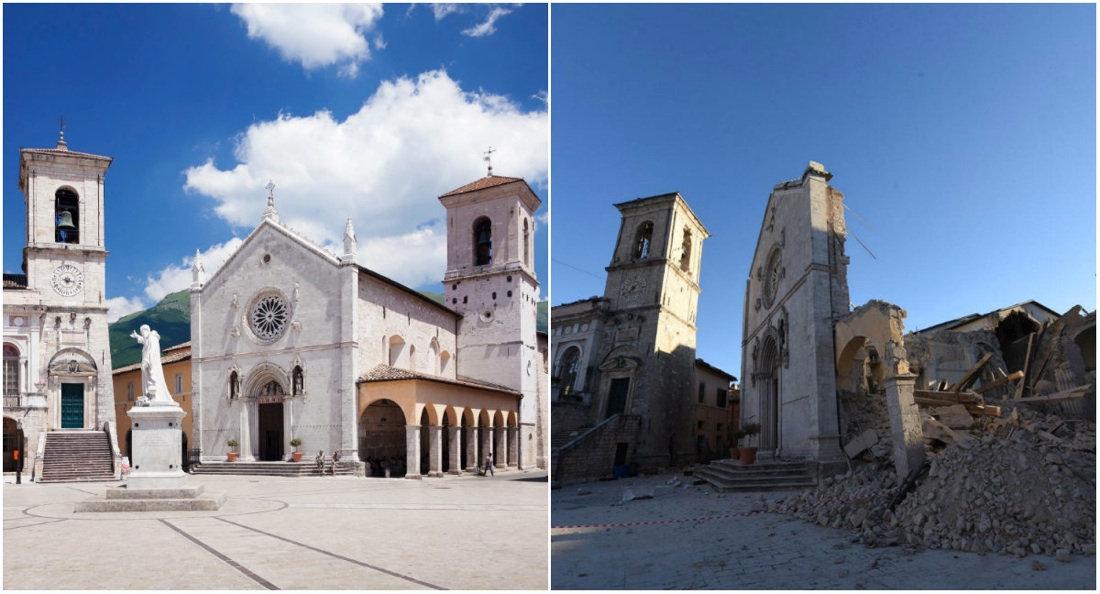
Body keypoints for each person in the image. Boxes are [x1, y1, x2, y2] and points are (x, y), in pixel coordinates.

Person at [130, 324, 172, 405]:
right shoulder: (149, 338)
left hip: (150, 364)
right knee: (148, 381)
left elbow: (151, 352)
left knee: (151, 381)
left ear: (146, 330)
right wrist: (137, 336)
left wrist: (146, 361)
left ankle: (153, 395)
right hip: (149, 364)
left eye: (142, 332)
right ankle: (150, 395)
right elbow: (144, 341)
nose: (142, 334)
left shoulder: (152, 339)